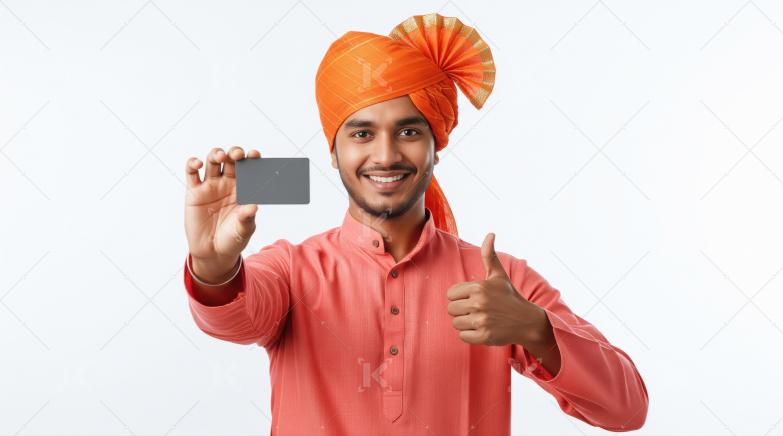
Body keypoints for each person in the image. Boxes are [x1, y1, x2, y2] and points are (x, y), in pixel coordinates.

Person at [182, 12, 648, 435]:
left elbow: (626, 409)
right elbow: (236, 321)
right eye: (362, 133)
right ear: (333, 150)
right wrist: (213, 266)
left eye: (408, 131)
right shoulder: (291, 270)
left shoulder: (497, 282)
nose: (385, 155)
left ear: (436, 146)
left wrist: (534, 328)